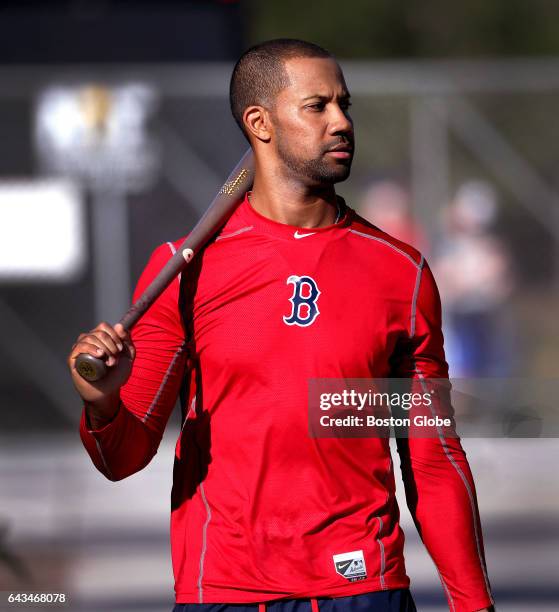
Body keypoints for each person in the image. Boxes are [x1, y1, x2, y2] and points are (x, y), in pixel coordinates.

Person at [68, 39, 495, 612]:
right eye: (317, 106)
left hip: (362, 587)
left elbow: (432, 457)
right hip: (226, 591)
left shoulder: (401, 273)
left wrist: (475, 605)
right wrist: (102, 404)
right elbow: (122, 457)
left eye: (345, 104)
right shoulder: (185, 271)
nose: (342, 122)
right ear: (259, 123)